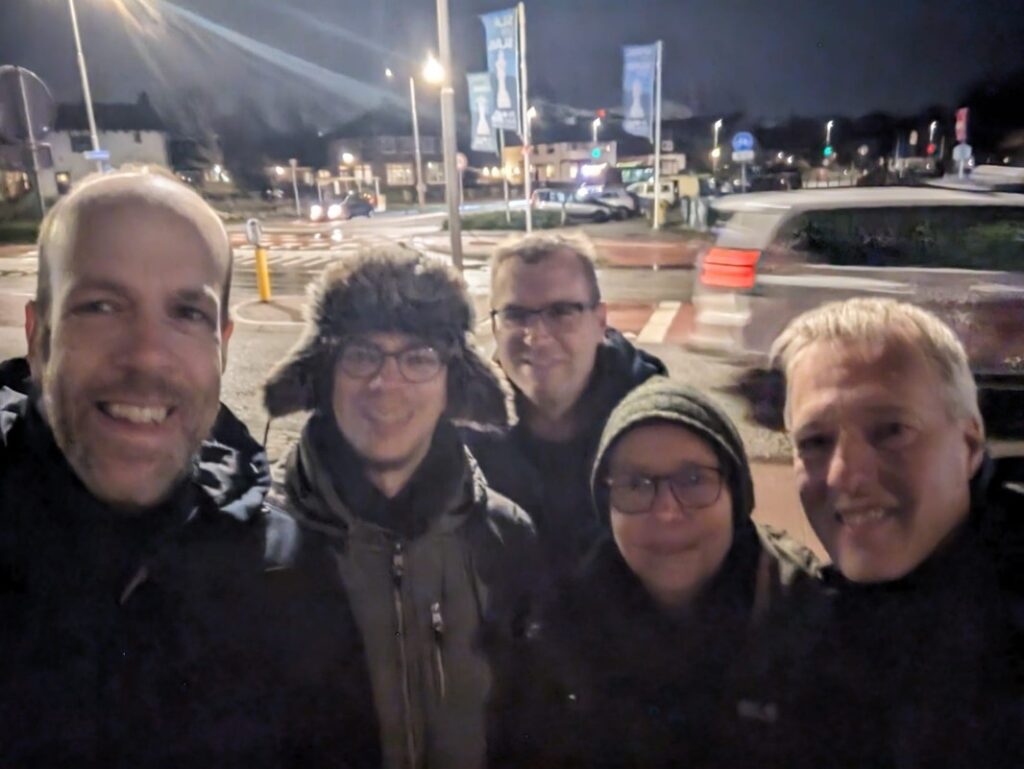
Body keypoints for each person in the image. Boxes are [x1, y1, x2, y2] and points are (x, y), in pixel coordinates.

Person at [0, 171, 377, 769]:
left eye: (188, 313)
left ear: (223, 345)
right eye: (100, 306)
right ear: (38, 337)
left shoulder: (289, 569)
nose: (147, 355)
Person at [262, 246, 538, 769]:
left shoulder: (506, 538)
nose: (386, 385)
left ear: (453, 382)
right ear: (324, 374)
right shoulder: (255, 550)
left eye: (418, 357)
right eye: (362, 354)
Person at [739, 298, 1023, 769]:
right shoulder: (805, 626)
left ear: (969, 444)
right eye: (814, 442)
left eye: (891, 431)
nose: (845, 475)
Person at [491, 377, 821, 769]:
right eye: (636, 484)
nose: (666, 512)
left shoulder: (808, 613)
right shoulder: (562, 631)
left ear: (736, 496)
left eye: (694, 480)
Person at [465, 234, 666, 581]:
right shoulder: (464, 440)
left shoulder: (660, 430)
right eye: (515, 315)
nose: (536, 336)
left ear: (600, 322)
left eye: (560, 312)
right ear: (495, 326)